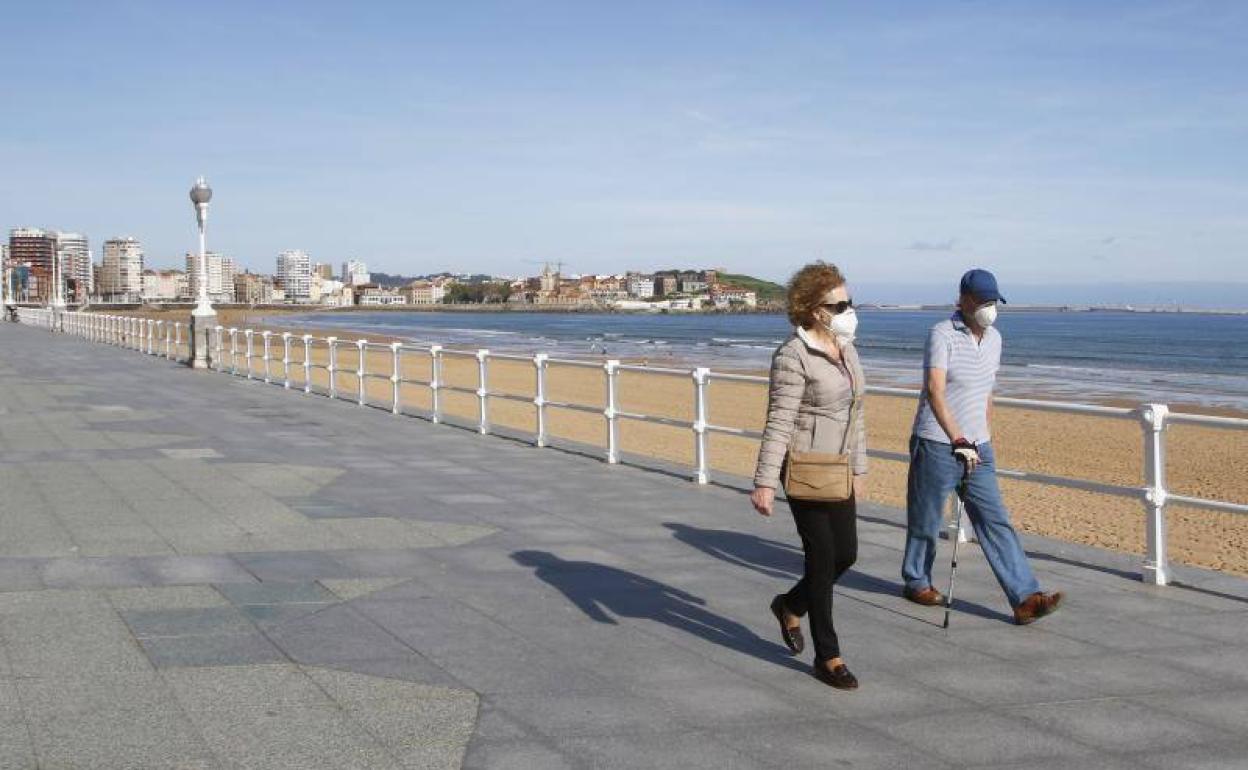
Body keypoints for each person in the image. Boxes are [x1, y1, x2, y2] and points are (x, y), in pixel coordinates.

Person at [902, 268, 1064, 625]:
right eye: (983, 301)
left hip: (978, 447)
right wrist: (957, 438)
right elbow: (935, 390)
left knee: (995, 520)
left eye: (994, 301)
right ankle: (917, 581)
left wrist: (980, 436)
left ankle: (1025, 597)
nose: (989, 308)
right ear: (964, 299)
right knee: (927, 520)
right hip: (937, 442)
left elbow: (987, 391)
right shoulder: (941, 334)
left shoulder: (995, 339)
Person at [751, 262, 866, 690]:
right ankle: (829, 655)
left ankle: (788, 604)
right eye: (840, 303)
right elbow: (779, 420)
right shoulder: (792, 355)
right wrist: (764, 481)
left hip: (838, 467)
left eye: (849, 301)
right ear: (815, 308)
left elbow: (857, 413)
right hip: (804, 467)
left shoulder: (845, 347)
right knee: (820, 559)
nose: (849, 309)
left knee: (846, 555)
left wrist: (859, 466)